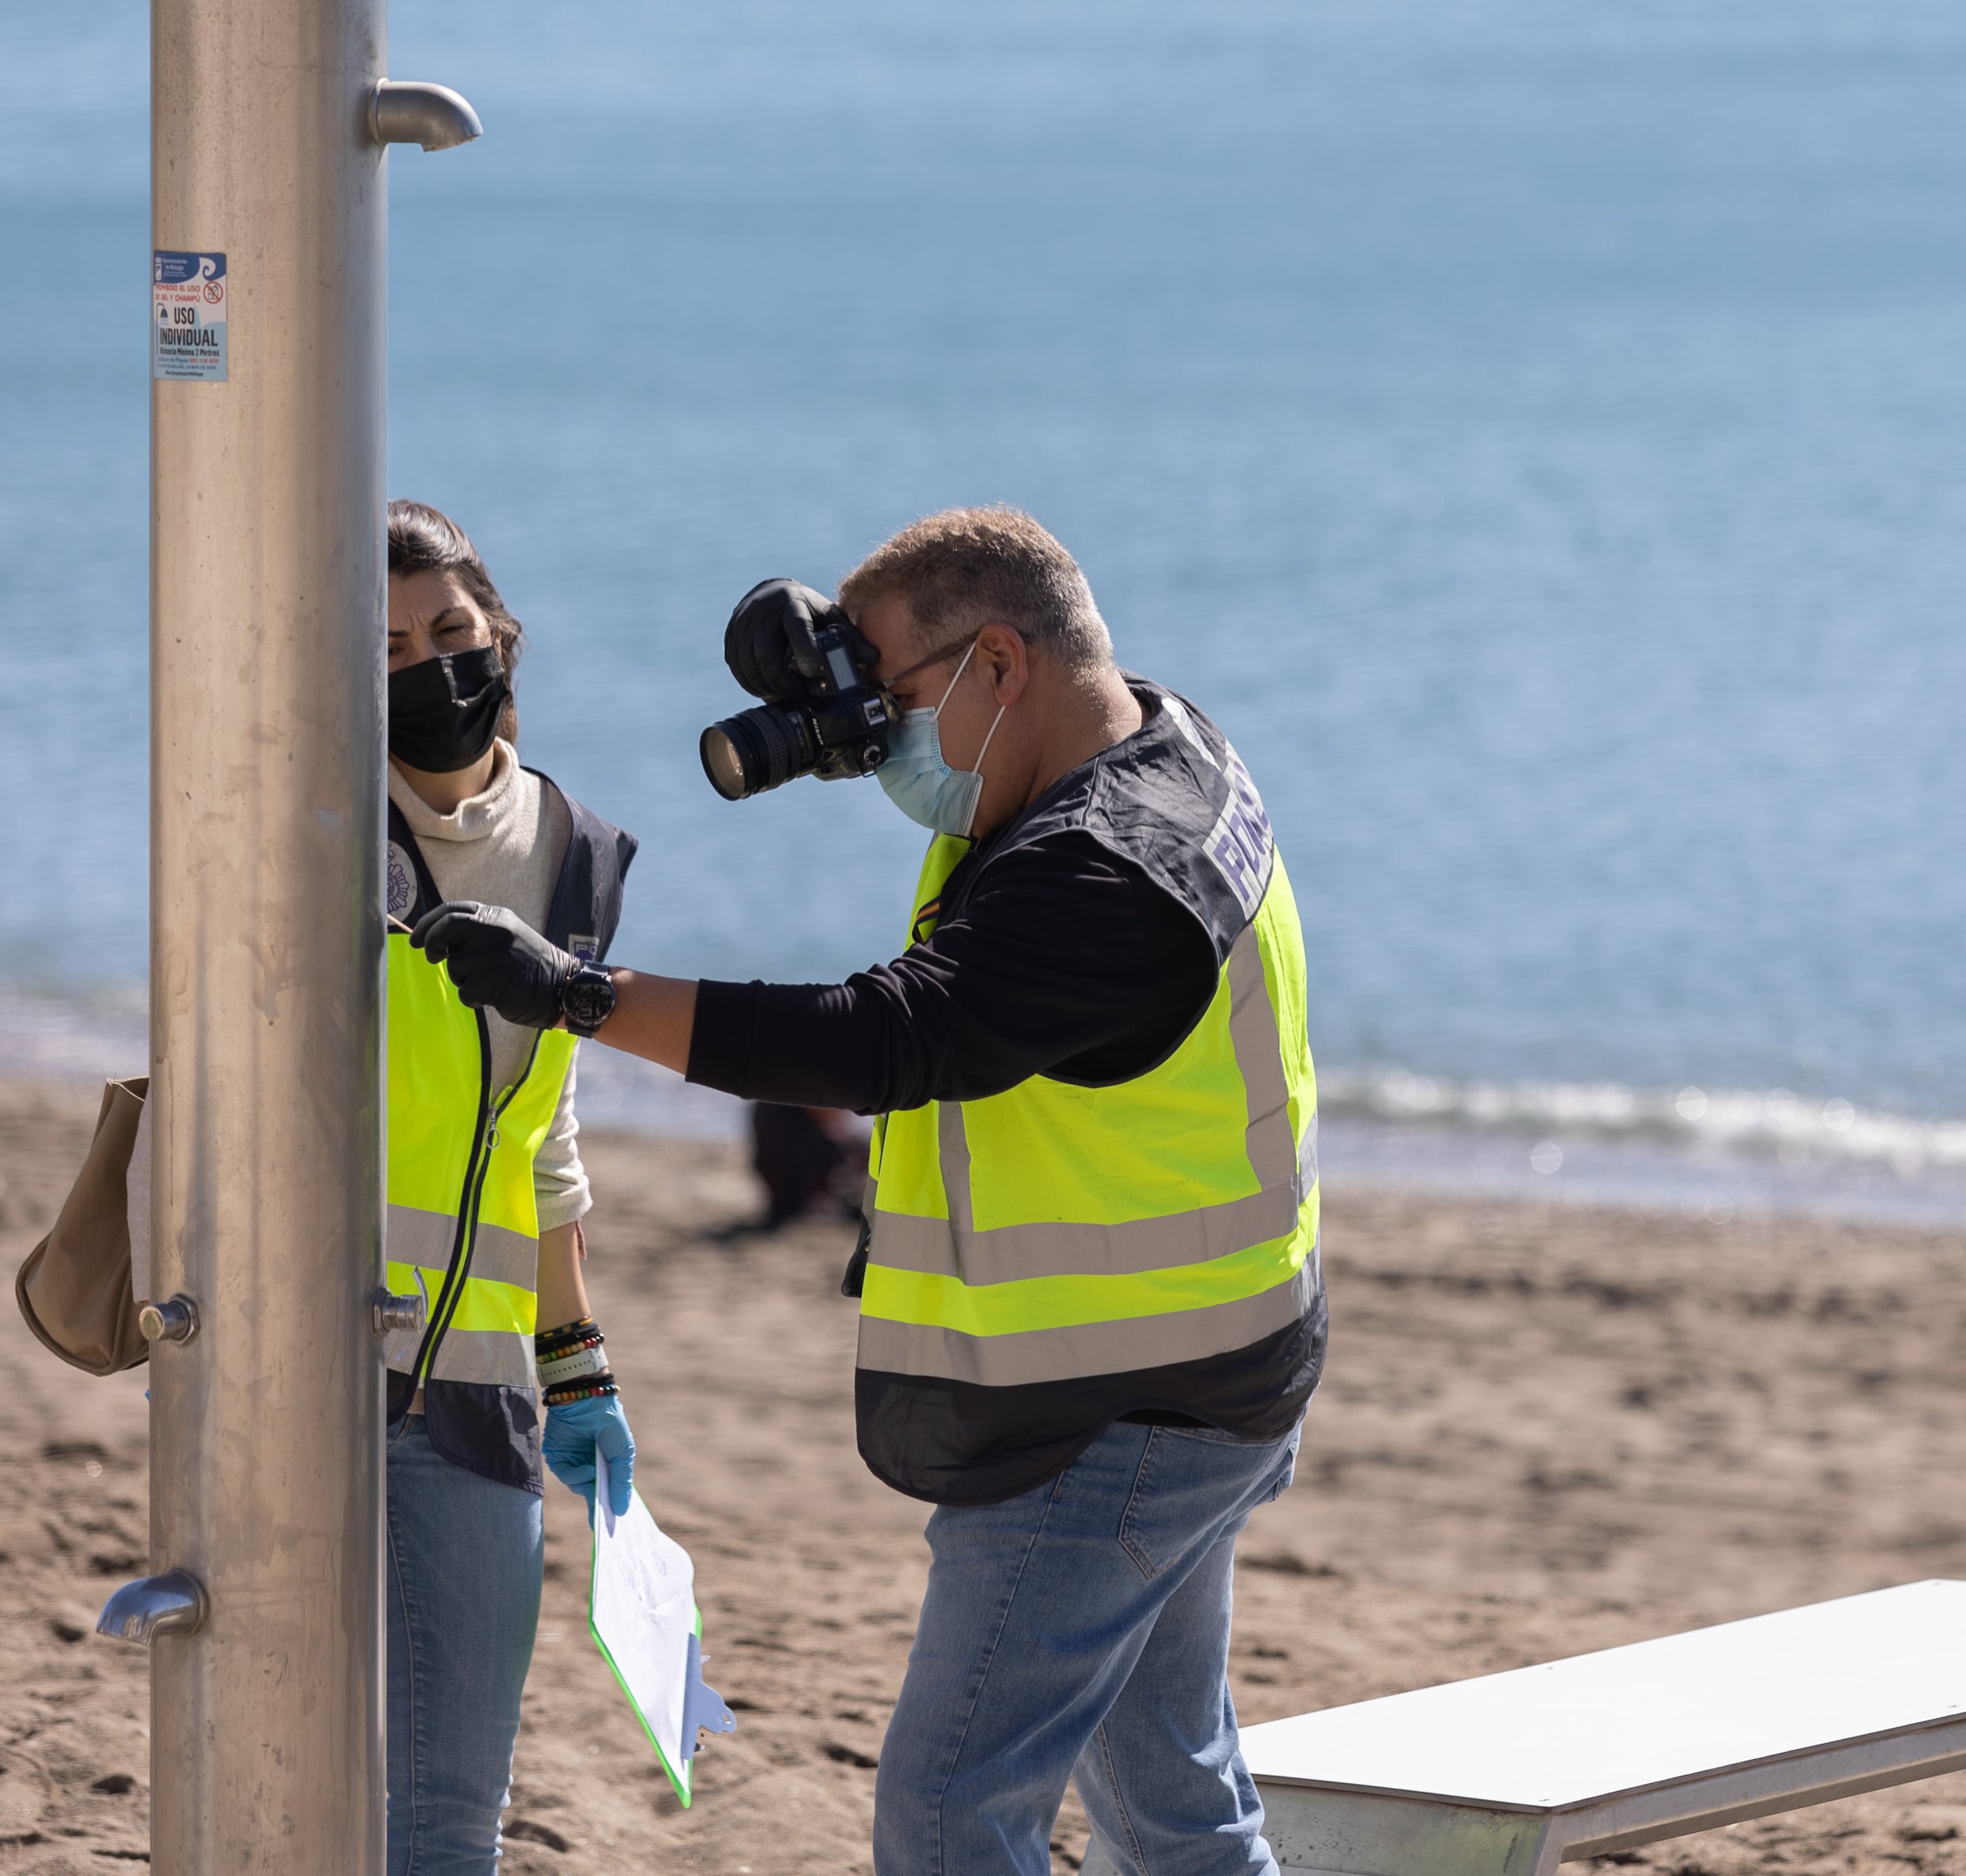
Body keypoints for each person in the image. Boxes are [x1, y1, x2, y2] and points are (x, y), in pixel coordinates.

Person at [409, 505, 1323, 1876]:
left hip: (1114, 1411)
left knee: (955, 1813)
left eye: (894, 702)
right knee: (1178, 1805)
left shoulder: (1108, 871)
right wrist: (862, 687)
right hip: (1220, 1364)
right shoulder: (1150, 738)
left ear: (1001, 665)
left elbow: (889, 1038)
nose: (878, 743)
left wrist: (585, 995)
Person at [383, 500, 641, 1873]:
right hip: (295, 1374)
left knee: (446, 1807)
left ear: (502, 640)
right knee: (280, 1765)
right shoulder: (298, 829)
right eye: (382, 647)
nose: (425, 666)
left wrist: (581, 1367)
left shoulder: (578, 855)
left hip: (484, 1392)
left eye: (448, 632)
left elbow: (541, 1134)